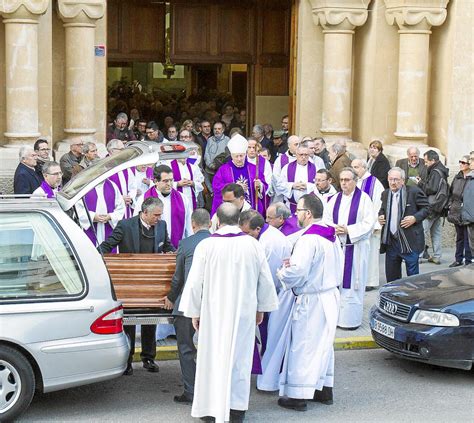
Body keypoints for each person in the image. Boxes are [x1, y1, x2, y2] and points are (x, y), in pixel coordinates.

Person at [178, 202, 278, 423]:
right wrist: (261, 307)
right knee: (239, 361)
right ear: (239, 220)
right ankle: (236, 410)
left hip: (213, 313)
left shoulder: (206, 245)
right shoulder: (252, 245)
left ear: (217, 220)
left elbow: (195, 283)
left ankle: (210, 409)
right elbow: (265, 279)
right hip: (243, 312)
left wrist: (194, 311)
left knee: (211, 359)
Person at [273, 194, 343, 411]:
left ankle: (297, 396)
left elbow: (298, 272)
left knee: (303, 346)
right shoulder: (331, 235)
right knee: (323, 345)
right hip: (330, 295)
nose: (296, 215)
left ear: (308, 213)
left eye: (299, 211)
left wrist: (283, 272)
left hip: (312, 299)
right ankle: (323, 390)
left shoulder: (308, 239)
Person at [99, 197, 175, 375]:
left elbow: (168, 247)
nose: (158, 218)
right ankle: (128, 359)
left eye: (160, 215)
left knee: (151, 322)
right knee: (129, 324)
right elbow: (107, 245)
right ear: (145, 212)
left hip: (154, 284)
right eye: (156, 215)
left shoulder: (162, 226)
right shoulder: (125, 226)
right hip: (129, 283)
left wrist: (173, 253)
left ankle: (148, 357)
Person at [162, 209, 211, 405]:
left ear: (193, 224)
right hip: (213, 303)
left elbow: (179, 277)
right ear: (210, 223)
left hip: (188, 304)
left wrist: (171, 297)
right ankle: (210, 389)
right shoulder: (218, 242)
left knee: (186, 347)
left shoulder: (186, 243)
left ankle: (190, 391)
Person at [323, 168, 375, 329]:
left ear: (355, 181)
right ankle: (335, 318)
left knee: (353, 284)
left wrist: (349, 231)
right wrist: (335, 228)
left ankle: (350, 320)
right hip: (338, 248)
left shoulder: (364, 199)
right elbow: (326, 218)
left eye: (347, 180)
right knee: (336, 282)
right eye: (342, 180)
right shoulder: (335, 199)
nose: (344, 183)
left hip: (356, 248)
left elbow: (369, 223)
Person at [379, 167, 430, 282]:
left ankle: (412, 298)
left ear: (403, 180)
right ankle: (394, 297)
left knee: (412, 278)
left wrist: (414, 218)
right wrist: (381, 216)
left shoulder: (414, 192)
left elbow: (427, 208)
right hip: (391, 241)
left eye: (396, 179)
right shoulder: (386, 194)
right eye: (390, 179)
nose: (393, 182)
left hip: (410, 240)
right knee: (392, 277)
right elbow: (382, 209)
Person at [137, 164, 193, 249]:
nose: (169, 184)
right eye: (165, 181)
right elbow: (136, 225)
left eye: (171, 180)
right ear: (155, 181)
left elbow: (189, 226)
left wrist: (189, 247)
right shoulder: (143, 199)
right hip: (150, 249)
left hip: (177, 248)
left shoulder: (183, 199)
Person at [211, 135, 267, 215]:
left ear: (245, 154)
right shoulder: (224, 169)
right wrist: (233, 187)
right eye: (236, 156)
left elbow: (264, 185)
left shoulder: (253, 169)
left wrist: (260, 186)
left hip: (250, 210)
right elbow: (216, 187)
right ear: (231, 156)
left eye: (241, 156)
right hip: (230, 212)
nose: (239, 159)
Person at [352, 159, 385, 290]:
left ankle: (370, 282)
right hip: (356, 226)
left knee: (370, 255)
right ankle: (358, 279)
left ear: (364, 168)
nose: (354, 170)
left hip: (370, 226)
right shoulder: (354, 182)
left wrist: (376, 224)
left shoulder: (374, 183)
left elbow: (379, 204)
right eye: (352, 167)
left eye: (356, 167)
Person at [417, 150, 449, 265]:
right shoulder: (442, 170)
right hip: (438, 207)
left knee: (422, 231)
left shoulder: (435, 171)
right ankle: (437, 256)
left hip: (431, 207)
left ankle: (419, 256)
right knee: (436, 232)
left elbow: (431, 189)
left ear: (433, 160)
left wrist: (420, 183)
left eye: (426, 162)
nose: (425, 164)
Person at [447, 154, 473, 266]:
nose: (461, 164)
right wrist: (450, 205)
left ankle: (468, 260)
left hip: (467, 211)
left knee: (468, 238)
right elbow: (451, 192)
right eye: (460, 162)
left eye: (464, 162)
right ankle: (458, 259)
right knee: (459, 237)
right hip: (456, 210)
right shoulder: (457, 177)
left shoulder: (471, 178)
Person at [279, 142, 317, 213]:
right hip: (291, 207)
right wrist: (292, 186)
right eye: (301, 154)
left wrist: (307, 186)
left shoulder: (315, 168)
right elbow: (280, 185)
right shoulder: (287, 168)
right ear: (296, 155)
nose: (303, 157)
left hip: (309, 208)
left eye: (306, 155)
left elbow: (320, 186)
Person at [107, 139, 134, 219]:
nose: (123, 152)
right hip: (112, 209)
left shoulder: (125, 165)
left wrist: (130, 198)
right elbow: (104, 189)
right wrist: (119, 198)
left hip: (126, 206)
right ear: (112, 151)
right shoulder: (105, 167)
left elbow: (133, 185)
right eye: (121, 149)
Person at [462, 152, 474, 251]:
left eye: (473, 159)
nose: (470, 162)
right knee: (472, 244)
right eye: (470, 159)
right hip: (470, 218)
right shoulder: (470, 178)